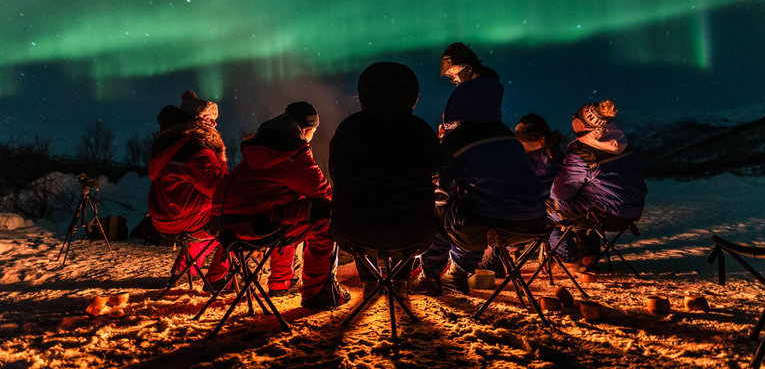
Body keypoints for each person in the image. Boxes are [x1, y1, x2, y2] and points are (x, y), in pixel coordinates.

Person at [410, 77, 547, 295]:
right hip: (533, 222)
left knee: (440, 208)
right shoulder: (508, 137)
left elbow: (443, 193)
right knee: (473, 205)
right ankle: (459, 272)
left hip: (489, 224)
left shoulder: (457, 140)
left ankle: (430, 275)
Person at [211, 102, 350, 309]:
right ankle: (318, 292)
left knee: (293, 210)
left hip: (224, 223)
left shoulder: (261, 148)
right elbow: (324, 193)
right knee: (323, 214)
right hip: (254, 225)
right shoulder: (292, 152)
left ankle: (281, 282)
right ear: (306, 130)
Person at [329, 62, 442, 297]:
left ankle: (370, 280)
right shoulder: (421, 131)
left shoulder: (348, 130)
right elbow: (437, 172)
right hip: (414, 234)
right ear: (412, 95)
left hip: (353, 232)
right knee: (416, 209)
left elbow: (336, 176)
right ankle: (400, 281)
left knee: (360, 207)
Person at [549, 100, 647, 269]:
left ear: (580, 122)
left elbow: (560, 193)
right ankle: (589, 255)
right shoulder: (622, 144)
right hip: (632, 209)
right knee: (582, 203)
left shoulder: (583, 152)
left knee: (549, 208)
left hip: (606, 214)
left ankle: (568, 259)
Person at [147, 91, 229, 285]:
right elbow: (218, 187)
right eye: (210, 119)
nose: (215, 124)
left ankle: (184, 271)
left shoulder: (171, 145)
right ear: (196, 121)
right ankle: (219, 277)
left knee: (211, 220)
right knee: (233, 220)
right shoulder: (197, 149)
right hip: (184, 218)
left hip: (164, 217)